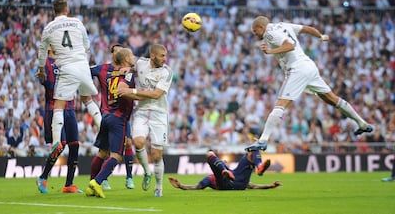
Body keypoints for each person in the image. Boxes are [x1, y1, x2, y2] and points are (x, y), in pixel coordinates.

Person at [246, 16, 373, 152]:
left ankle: (263, 140)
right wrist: (321, 37)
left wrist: (270, 52)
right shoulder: (283, 25)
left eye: (255, 31)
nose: (256, 35)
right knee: (331, 98)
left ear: (261, 27)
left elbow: (289, 46)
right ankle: (362, 123)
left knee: (280, 104)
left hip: (297, 69)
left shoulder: (269, 34)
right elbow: (307, 29)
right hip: (309, 66)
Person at [37, 0, 101, 155]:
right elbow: (87, 46)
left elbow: (42, 53)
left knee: (59, 105)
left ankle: (56, 141)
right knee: (87, 100)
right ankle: (103, 129)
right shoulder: (77, 23)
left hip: (67, 67)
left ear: (54, 10)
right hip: (82, 65)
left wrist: (41, 69)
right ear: (66, 9)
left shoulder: (49, 28)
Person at [117, 44, 173, 197]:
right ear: (153, 56)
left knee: (156, 155)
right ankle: (147, 172)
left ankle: (159, 186)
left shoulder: (167, 72)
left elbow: (156, 95)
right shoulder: (141, 63)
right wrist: (128, 70)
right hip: (141, 112)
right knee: (138, 142)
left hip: (159, 114)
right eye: (162, 56)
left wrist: (132, 91)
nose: (165, 59)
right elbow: (132, 67)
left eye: (165, 55)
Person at [85, 48, 136, 198]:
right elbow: (123, 90)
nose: (134, 57)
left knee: (102, 153)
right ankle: (98, 182)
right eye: (131, 55)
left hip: (106, 116)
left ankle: (90, 186)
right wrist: (141, 95)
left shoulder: (111, 75)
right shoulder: (128, 74)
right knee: (116, 156)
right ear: (126, 58)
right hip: (118, 119)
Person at [35, 47, 81, 194]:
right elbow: (46, 82)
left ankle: (69, 184)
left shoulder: (67, 61)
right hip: (54, 107)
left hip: (70, 107)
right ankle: (43, 177)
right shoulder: (46, 63)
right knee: (59, 145)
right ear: (49, 46)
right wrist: (42, 78)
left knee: (74, 145)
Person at [168, 150, 279, 190]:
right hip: (236, 181)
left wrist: (182, 186)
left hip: (231, 179)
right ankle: (258, 166)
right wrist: (269, 186)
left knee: (253, 150)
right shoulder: (209, 179)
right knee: (252, 151)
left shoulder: (208, 179)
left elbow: (197, 187)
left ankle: (259, 166)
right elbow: (252, 185)